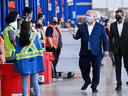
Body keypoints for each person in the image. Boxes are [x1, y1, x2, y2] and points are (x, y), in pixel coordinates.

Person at [69, 10, 108, 92]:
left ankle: (94, 86)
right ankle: (87, 81)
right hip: (84, 52)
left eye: (89, 15)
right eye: (86, 15)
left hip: (96, 52)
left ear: (94, 17)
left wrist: (106, 50)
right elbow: (77, 36)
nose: (87, 17)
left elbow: (105, 39)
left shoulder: (100, 26)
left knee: (96, 70)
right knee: (83, 68)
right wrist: (74, 34)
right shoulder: (82, 26)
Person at [14, 21, 45, 96]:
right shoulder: (35, 35)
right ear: (29, 27)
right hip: (34, 62)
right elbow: (38, 36)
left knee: (25, 82)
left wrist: (19, 29)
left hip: (23, 62)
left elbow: (14, 37)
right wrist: (32, 28)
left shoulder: (18, 37)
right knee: (35, 81)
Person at [109, 10, 128, 90]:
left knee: (127, 65)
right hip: (116, 49)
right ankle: (119, 83)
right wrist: (110, 50)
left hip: (126, 48)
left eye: (119, 15)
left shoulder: (127, 24)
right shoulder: (113, 25)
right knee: (118, 66)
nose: (118, 17)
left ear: (123, 15)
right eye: (116, 15)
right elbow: (110, 39)